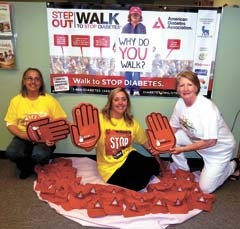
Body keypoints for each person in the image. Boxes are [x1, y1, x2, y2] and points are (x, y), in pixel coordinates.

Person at [167, 71, 237, 193]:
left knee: (205, 189)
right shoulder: (180, 103)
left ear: (196, 87)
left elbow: (210, 141)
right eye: (181, 85)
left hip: (218, 150)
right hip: (195, 139)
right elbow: (172, 127)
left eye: (189, 84)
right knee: (172, 138)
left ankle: (233, 165)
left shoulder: (207, 108)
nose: (185, 88)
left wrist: (182, 149)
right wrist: (159, 143)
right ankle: (182, 169)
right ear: (177, 89)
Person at [4, 67, 67, 179]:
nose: (33, 82)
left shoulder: (49, 100)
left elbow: (61, 122)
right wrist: (22, 135)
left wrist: (53, 139)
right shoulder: (16, 100)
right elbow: (10, 123)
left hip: (44, 139)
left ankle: (38, 165)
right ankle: (26, 167)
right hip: (23, 136)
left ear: (41, 82)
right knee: (12, 152)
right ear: (24, 81)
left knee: (39, 154)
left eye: (37, 79)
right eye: (29, 78)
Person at [95, 87, 161, 191]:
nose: (120, 103)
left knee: (154, 165)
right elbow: (88, 145)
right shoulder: (99, 119)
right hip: (110, 168)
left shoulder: (131, 122)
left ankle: (153, 165)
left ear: (127, 102)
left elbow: (146, 143)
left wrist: (158, 159)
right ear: (110, 102)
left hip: (129, 156)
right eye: (116, 99)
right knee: (138, 185)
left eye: (124, 99)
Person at [121, 6, 146, 96]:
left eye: (137, 15)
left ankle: (136, 90)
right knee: (128, 70)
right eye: (133, 15)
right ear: (130, 16)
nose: (135, 16)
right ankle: (127, 89)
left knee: (137, 70)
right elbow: (121, 40)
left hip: (138, 53)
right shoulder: (125, 27)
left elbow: (144, 40)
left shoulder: (142, 27)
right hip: (128, 53)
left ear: (140, 16)